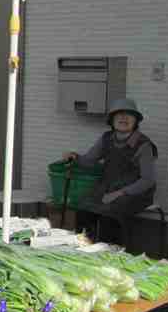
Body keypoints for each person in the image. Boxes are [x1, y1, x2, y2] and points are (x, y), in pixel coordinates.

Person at [63, 98, 157, 243]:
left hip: (135, 192)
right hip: (108, 187)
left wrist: (119, 193)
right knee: (83, 208)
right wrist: (75, 157)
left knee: (109, 215)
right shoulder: (106, 138)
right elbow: (89, 160)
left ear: (136, 121)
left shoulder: (143, 145)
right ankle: (85, 247)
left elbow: (148, 180)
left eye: (129, 115)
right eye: (119, 115)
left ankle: (110, 251)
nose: (123, 118)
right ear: (111, 120)